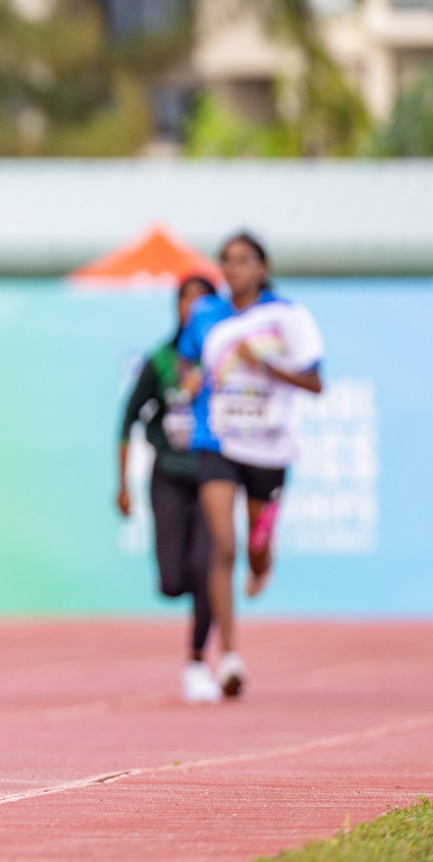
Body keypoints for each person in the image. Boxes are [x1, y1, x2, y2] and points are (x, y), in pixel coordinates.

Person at [178, 232, 323, 698]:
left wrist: (263, 366)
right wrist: (191, 380)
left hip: (270, 445)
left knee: (255, 549)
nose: (233, 269)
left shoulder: (287, 316)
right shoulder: (205, 314)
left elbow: (316, 381)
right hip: (216, 439)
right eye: (227, 261)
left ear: (263, 267)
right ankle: (230, 657)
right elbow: (184, 362)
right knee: (222, 544)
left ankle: (262, 563)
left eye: (244, 261)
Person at [117, 275, 221, 703]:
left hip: (216, 474)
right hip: (170, 474)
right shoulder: (159, 360)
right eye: (187, 302)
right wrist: (122, 483)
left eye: (203, 303)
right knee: (173, 579)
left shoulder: (225, 359)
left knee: (207, 568)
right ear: (176, 308)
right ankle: (179, 583)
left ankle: (198, 660)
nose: (194, 311)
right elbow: (126, 420)